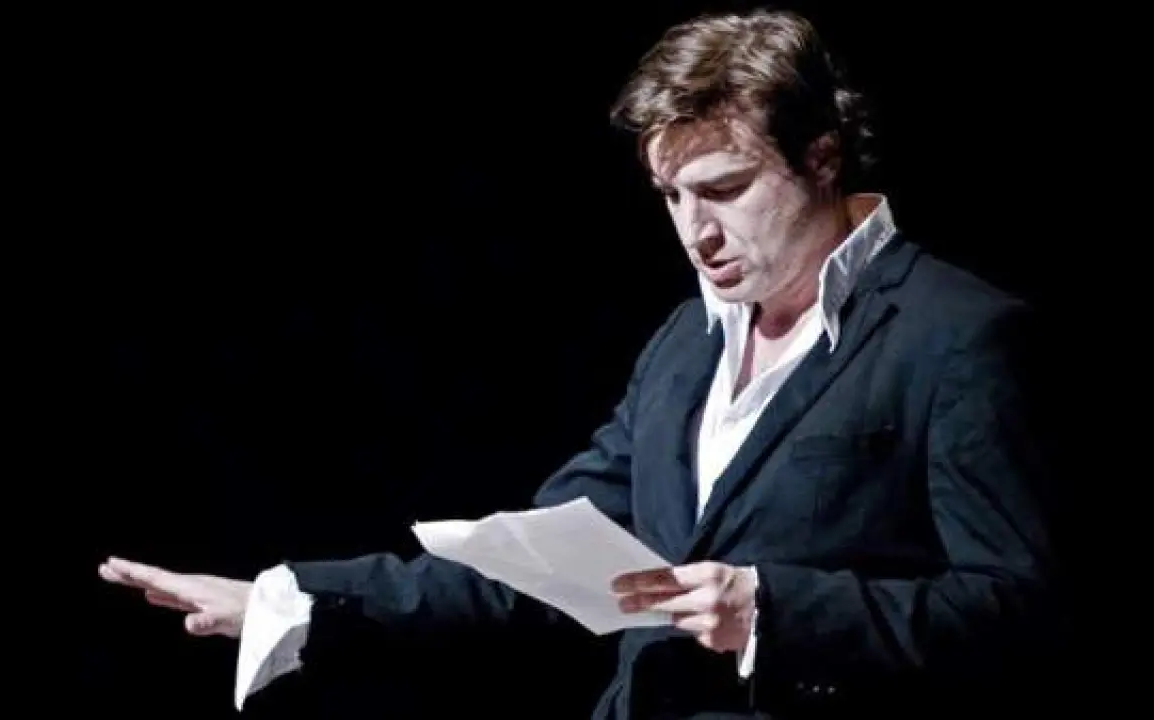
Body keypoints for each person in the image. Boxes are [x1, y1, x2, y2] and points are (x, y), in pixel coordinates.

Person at [101, 8, 1067, 717]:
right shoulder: (685, 343)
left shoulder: (958, 335)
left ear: (822, 157)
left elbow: (1022, 614)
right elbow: (536, 565)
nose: (695, 231)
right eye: (671, 197)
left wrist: (777, 610)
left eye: (725, 188)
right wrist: (293, 599)